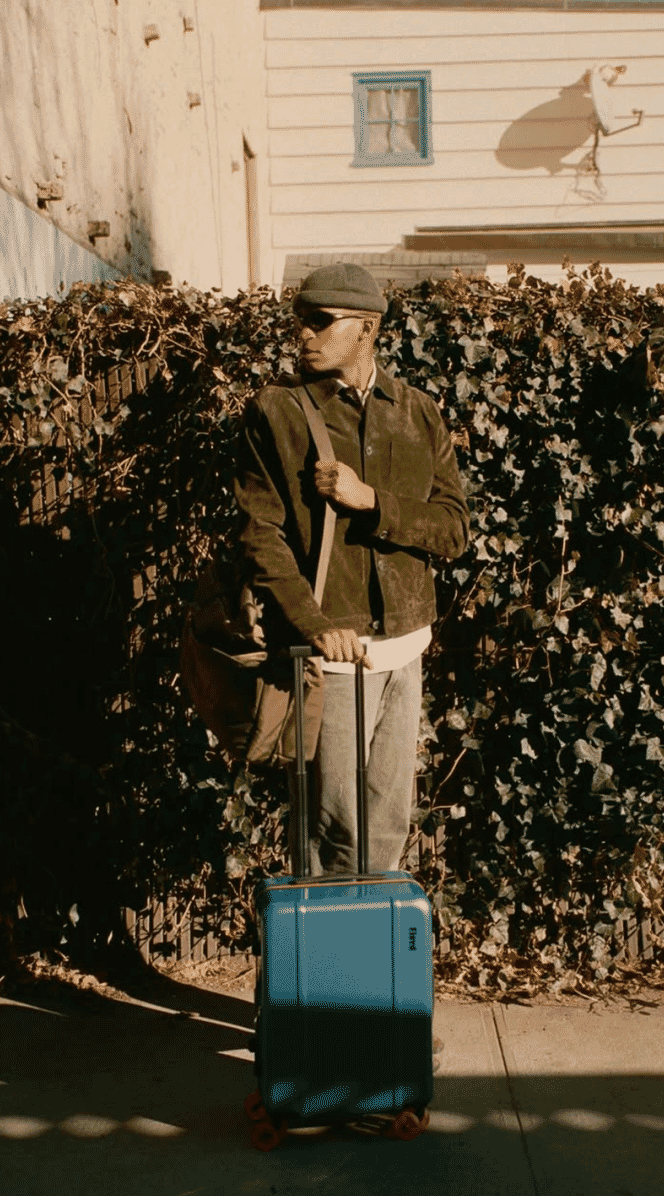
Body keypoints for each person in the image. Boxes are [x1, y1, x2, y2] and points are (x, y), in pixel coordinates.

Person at [234, 263, 469, 876]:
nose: (302, 336)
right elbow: (259, 537)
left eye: (320, 323)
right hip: (330, 656)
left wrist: (372, 503)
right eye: (300, 322)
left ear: (365, 330)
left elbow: (453, 530)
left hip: (405, 646)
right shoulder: (277, 413)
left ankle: (368, 962)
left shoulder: (417, 412)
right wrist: (314, 625)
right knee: (334, 824)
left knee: (388, 823)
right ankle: (323, 966)